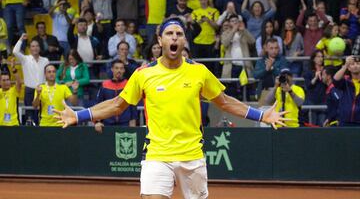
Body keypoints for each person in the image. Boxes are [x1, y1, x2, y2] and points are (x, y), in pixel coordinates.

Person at [55, 17, 288, 199]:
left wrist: (262, 114)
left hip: (192, 157)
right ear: (160, 40)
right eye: (169, 33)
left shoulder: (199, 72)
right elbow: (117, 105)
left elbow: (225, 102)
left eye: (179, 34)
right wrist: (79, 115)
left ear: (184, 41)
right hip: (157, 155)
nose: (174, 37)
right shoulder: (143, 74)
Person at [13, 33, 49, 125]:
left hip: (43, 90)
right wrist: (21, 39)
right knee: (30, 117)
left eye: (37, 46)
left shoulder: (45, 60)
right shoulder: (25, 59)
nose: (35, 48)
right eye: (33, 46)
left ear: (40, 48)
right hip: (29, 90)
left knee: (43, 115)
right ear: (30, 49)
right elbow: (15, 51)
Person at [95, 59, 138, 130]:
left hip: (125, 123)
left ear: (124, 70)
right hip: (107, 122)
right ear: (112, 69)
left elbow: (133, 104)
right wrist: (97, 121)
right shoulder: (105, 85)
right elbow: (99, 104)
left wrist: (133, 120)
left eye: (121, 68)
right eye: (116, 68)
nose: (119, 71)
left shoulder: (128, 84)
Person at [253, 38, 289, 105]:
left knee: (279, 115)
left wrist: (272, 68)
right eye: (271, 48)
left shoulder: (283, 60)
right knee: (264, 114)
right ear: (266, 49)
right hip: (264, 92)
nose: (274, 50)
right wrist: (266, 70)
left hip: (280, 92)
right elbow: (255, 75)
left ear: (279, 48)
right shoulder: (261, 61)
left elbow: (285, 75)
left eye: (276, 48)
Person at [333, 55, 360, 126]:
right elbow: (335, 80)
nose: (355, 66)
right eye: (353, 64)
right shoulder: (346, 81)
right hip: (345, 121)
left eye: (358, 64)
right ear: (349, 68)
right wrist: (346, 65)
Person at [303, 50, 327, 126]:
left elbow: (329, 84)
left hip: (323, 102)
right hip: (311, 102)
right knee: (312, 126)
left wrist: (324, 76)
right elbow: (308, 85)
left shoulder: (326, 70)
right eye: (318, 56)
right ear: (313, 59)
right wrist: (316, 77)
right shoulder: (308, 71)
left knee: (321, 125)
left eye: (322, 56)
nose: (321, 59)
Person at [0, 60, 21, 126]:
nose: (6, 82)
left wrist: (13, 69)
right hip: (1, 125)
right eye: (4, 80)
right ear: (0, 82)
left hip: (14, 125)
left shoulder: (14, 90)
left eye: (8, 80)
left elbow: (19, 82)